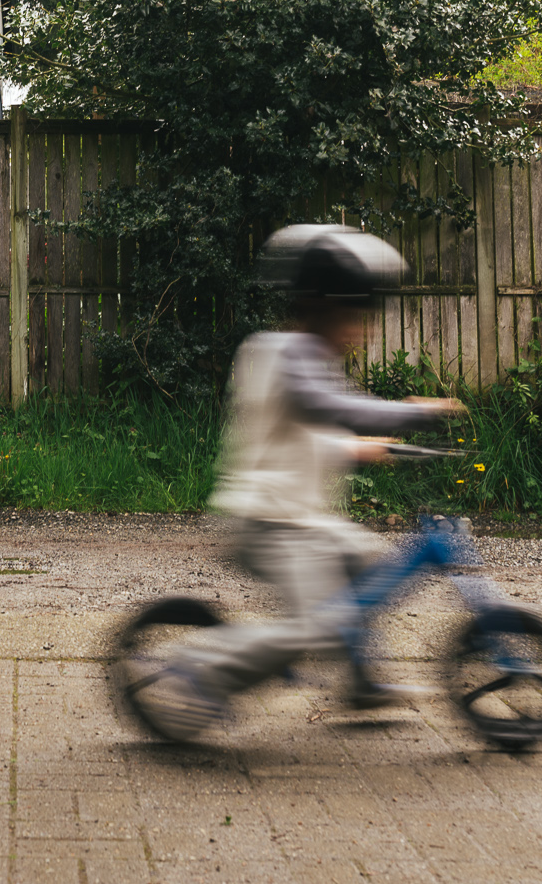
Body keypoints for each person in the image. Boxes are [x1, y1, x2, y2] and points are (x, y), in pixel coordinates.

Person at [124, 224, 464, 743]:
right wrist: (410, 415)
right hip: (270, 523)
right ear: (325, 307)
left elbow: (305, 433)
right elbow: (322, 408)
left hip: (303, 522)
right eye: (357, 316)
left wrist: (373, 449)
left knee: (368, 565)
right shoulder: (284, 353)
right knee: (321, 626)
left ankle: (362, 682)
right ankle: (200, 671)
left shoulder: (309, 360)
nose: (363, 330)